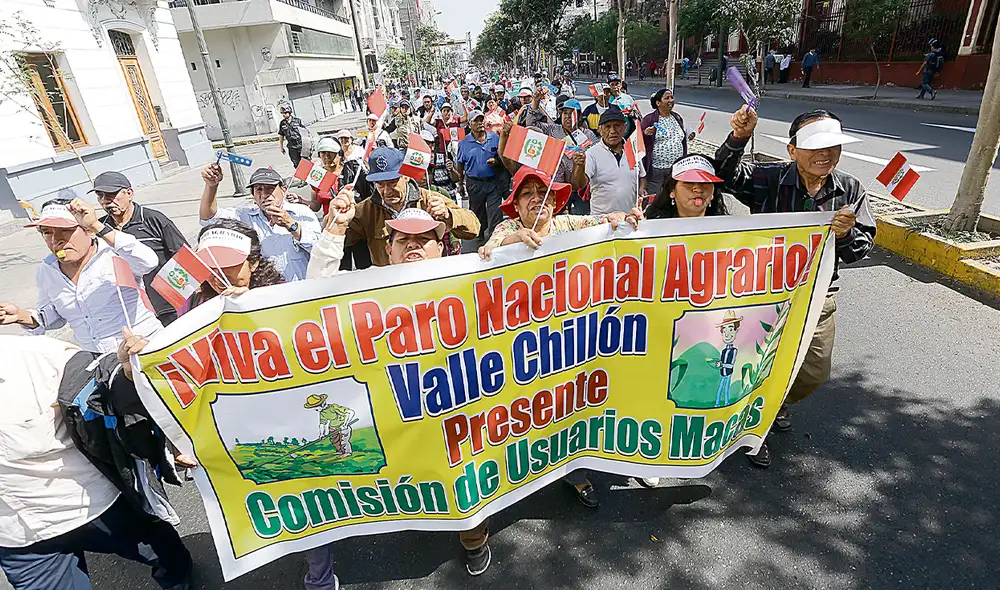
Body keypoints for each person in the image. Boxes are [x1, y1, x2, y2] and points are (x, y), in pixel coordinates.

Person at [307, 200, 493, 577]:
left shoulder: (465, 277)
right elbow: (316, 293)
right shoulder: (369, 284)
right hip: (398, 408)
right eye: (403, 239)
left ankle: (474, 539)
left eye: (423, 239)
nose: (413, 245)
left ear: (441, 247)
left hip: (456, 404)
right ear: (387, 249)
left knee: (465, 477)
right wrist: (335, 232)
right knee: (412, 476)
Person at [715, 105, 875, 468]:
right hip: (764, 296)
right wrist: (739, 136)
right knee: (755, 365)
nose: (824, 155)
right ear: (792, 150)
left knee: (814, 371)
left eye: (832, 146)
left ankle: (780, 402)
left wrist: (847, 235)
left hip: (819, 298)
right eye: (814, 146)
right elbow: (723, 174)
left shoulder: (850, 189)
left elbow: (859, 249)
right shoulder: (769, 179)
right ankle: (756, 426)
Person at [0, 335, 195, 590]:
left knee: (165, 554)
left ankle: (178, 576)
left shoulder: (37, 357)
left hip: (92, 506)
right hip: (17, 541)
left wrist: (130, 373)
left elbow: (107, 385)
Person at [0, 198, 161, 353]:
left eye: (65, 231)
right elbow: (53, 316)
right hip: (98, 360)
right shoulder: (47, 270)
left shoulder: (114, 254)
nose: (57, 240)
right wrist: (21, 316)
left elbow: (148, 261)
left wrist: (97, 225)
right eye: (47, 232)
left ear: (89, 231)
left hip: (144, 348)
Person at [345, 146, 479, 266]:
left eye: (392, 182)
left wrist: (448, 215)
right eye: (380, 184)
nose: (386, 190)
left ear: (406, 176)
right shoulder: (366, 211)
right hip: (390, 285)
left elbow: (473, 227)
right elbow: (334, 243)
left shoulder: (429, 199)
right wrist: (338, 219)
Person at [92, 170, 188, 326]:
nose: (106, 201)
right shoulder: (100, 229)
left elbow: (185, 257)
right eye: (100, 196)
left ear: (129, 193)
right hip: (130, 313)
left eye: (111, 194)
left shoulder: (154, 220)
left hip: (169, 307)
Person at [199, 165, 321, 282]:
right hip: (266, 293)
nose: (264, 194)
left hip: (303, 288)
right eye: (259, 189)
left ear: (283, 190)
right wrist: (211, 186)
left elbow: (320, 249)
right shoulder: (245, 216)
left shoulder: (301, 212)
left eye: (270, 188)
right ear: (253, 195)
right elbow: (209, 218)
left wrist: (291, 225)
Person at [517, 96, 598, 214]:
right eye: (565, 113)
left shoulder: (588, 135)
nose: (567, 117)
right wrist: (536, 101)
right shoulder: (553, 130)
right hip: (558, 187)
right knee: (558, 221)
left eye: (572, 113)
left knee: (581, 221)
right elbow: (531, 123)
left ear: (580, 116)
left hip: (581, 189)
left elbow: (597, 155)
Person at [570, 105, 647, 216]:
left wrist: (641, 189)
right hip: (602, 220)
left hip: (629, 217)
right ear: (600, 130)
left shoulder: (633, 149)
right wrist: (579, 166)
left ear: (625, 127)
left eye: (617, 126)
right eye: (607, 127)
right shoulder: (592, 154)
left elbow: (642, 176)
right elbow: (579, 184)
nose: (612, 131)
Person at [455, 110, 504, 245]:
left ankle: (495, 240)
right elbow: (460, 164)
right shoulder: (464, 143)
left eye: (481, 120)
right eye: (475, 121)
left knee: (496, 212)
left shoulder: (494, 138)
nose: (479, 123)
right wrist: (460, 184)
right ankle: (480, 234)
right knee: (478, 213)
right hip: (474, 184)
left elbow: (502, 157)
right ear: (470, 125)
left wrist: (497, 162)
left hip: (493, 182)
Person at [640, 89, 694, 199]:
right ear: (658, 102)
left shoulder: (677, 117)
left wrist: (688, 135)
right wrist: (645, 134)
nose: (670, 100)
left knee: (674, 197)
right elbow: (638, 141)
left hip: (676, 169)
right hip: (657, 170)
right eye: (666, 98)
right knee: (653, 198)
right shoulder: (649, 119)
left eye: (671, 97)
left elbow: (681, 136)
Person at [644, 154, 728, 219]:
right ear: (672, 191)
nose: (698, 189)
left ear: (713, 193)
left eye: (705, 182)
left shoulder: (728, 230)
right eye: (688, 182)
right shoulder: (653, 225)